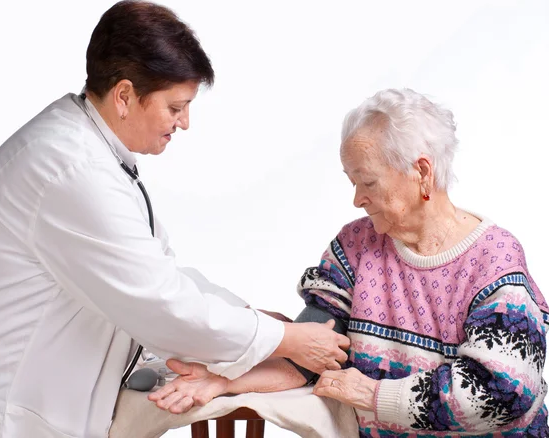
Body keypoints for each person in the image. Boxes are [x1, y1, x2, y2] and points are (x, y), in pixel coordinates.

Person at [0, 0, 351, 438]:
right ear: (124, 96)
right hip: (0, 409)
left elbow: (157, 272)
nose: (185, 123)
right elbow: (160, 303)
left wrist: (250, 317)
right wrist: (284, 340)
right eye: (175, 107)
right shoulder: (71, 170)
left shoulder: (88, 148)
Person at [149, 88, 549, 437]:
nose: (357, 198)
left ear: (421, 172)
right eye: (352, 182)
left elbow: (502, 392)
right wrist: (224, 382)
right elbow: (311, 353)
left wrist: (373, 395)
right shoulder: (357, 245)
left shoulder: (494, 263)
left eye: (368, 182)